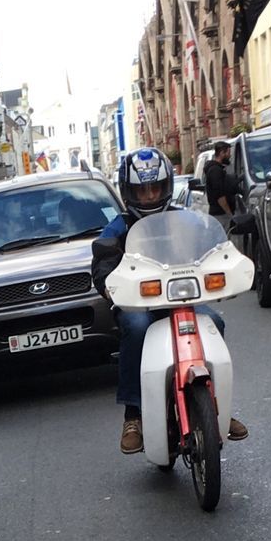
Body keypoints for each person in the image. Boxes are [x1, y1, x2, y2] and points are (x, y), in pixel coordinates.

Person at [92, 146, 248, 455]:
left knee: (214, 321)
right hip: (140, 305)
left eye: (156, 188)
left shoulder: (186, 220)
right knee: (135, 327)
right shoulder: (118, 227)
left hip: (181, 300)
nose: (149, 196)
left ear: (167, 186)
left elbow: (212, 247)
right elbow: (103, 262)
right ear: (129, 192)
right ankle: (133, 416)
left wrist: (225, 262)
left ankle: (216, 405)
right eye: (142, 190)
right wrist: (108, 284)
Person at [204, 140, 237, 227]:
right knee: (223, 239)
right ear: (222, 153)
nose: (230, 156)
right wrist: (229, 214)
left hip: (219, 214)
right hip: (221, 215)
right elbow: (220, 196)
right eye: (228, 153)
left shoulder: (217, 169)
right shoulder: (215, 171)